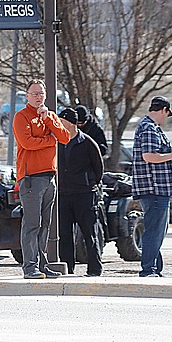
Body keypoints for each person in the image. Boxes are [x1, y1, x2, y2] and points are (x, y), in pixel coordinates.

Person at [13, 79, 71, 279]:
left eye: (41, 94)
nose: (38, 97)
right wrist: (49, 141)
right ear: (27, 96)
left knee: (46, 223)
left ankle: (42, 264)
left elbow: (64, 137)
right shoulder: (21, 117)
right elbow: (27, 142)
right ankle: (29, 266)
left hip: (49, 177)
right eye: (34, 94)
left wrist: (48, 120)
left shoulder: (51, 117)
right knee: (32, 223)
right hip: (30, 177)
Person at [130, 96, 172, 278]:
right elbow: (149, 156)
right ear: (163, 110)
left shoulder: (149, 127)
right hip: (154, 189)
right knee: (155, 231)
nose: (166, 118)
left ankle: (155, 268)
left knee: (157, 230)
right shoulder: (149, 128)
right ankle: (148, 270)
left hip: (155, 189)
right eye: (167, 114)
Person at [57, 108, 104, 277]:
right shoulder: (57, 142)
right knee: (64, 235)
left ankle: (94, 269)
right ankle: (67, 269)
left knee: (89, 234)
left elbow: (98, 168)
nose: (59, 124)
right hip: (63, 195)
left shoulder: (87, 142)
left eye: (61, 121)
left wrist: (90, 184)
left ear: (70, 123)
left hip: (85, 195)